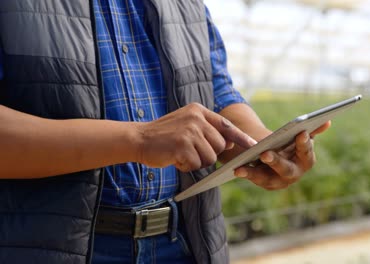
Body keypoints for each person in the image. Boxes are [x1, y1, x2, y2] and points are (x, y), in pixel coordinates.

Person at [0, 0, 330, 263]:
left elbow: (214, 88)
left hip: (186, 242)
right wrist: (139, 140)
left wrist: (261, 147)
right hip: (50, 244)